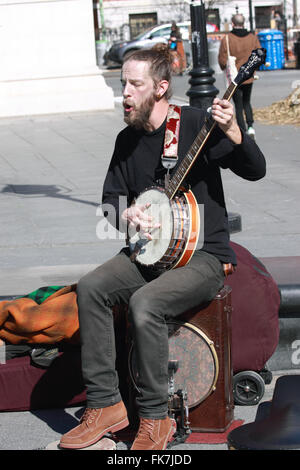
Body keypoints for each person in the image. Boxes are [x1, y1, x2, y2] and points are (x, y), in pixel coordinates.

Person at [59, 46, 266, 451]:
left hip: (204, 255)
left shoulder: (194, 124)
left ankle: (156, 418)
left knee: (145, 304)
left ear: (161, 88)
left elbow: (255, 170)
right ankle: (105, 405)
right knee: (91, 288)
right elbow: (109, 203)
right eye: (124, 85)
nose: (126, 94)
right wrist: (128, 216)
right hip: (150, 252)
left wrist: (237, 132)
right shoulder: (126, 141)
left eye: (135, 85)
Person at [218, 14, 261, 139]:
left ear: (232, 23)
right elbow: (259, 54)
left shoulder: (227, 39)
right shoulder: (252, 38)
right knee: (247, 101)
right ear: (244, 23)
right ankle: (251, 126)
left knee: (238, 104)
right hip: (249, 75)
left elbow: (222, 60)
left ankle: (242, 130)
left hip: (234, 77)